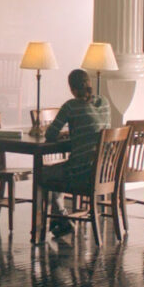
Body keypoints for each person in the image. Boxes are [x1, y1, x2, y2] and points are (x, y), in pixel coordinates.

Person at [42, 68, 111, 238]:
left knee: (43, 173)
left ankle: (60, 219)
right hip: (105, 170)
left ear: (72, 89)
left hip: (82, 172)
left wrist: (62, 134)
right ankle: (59, 219)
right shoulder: (104, 103)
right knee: (56, 173)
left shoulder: (71, 106)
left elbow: (50, 134)